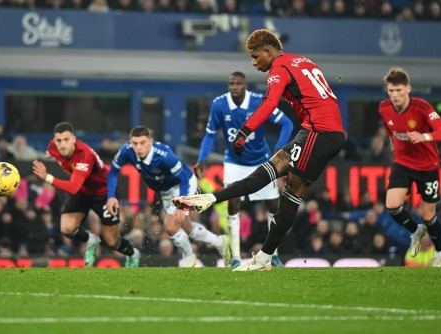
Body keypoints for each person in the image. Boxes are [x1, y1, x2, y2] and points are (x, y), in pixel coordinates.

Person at [172, 29, 345, 271]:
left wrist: (244, 131)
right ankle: (209, 199)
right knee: (267, 172)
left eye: (255, 57)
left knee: (289, 196)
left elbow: (270, 103)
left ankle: (263, 258)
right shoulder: (302, 60)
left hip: (320, 132)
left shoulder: (278, 69)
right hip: (318, 130)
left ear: (268, 51)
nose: (254, 62)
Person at [195, 71, 293, 268]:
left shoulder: (259, 101)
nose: (234, 87)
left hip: (261, 160)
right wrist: (201, 159)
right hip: (234, 161)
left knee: (273, 206)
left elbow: (287, 124)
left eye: (238, 83)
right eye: (231, 83)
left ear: (245, 85)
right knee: (233, 204)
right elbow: (209, 134)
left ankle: (273, 253)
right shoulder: (219, 104)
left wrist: (278, 151)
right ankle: (236, 257)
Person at [107, 125, 231, 267]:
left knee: (170, 226)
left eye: (142, 143)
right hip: (166, 190)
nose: (138, 147)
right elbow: (112, 172)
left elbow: (184, 179)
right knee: (186, 228)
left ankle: (190, 259)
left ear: (150, 142)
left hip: (183, 184)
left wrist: (181, 206)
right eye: (135, 143)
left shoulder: (164, 156)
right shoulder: (126, 151)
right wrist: (111, 196)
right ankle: (219, 242)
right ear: (130, 142)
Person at [32, 122, 140, 267]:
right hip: (83, 191)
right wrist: (49, 153)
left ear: (74, 139)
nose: (63, 144)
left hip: (104, 193)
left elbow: (72, 188)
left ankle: (132, 254)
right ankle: (91, 240)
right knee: (67, 228)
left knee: (111, 240)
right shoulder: (54, 146)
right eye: (59, 140)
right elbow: (50, 151)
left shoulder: (84, 156)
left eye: (66, 140)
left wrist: (47, 177)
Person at [378, 67, 441, 267]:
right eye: (391, 91)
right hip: (402, 163)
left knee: (427, 214)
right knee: (392, 205)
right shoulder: (383, 108)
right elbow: (391, 130)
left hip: (428, 166)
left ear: (408, 88)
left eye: (399, 90)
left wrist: (424, 136)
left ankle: (440, 252)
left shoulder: (422, 107)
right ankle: (415, 231)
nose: (394, 95)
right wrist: (395, 147)